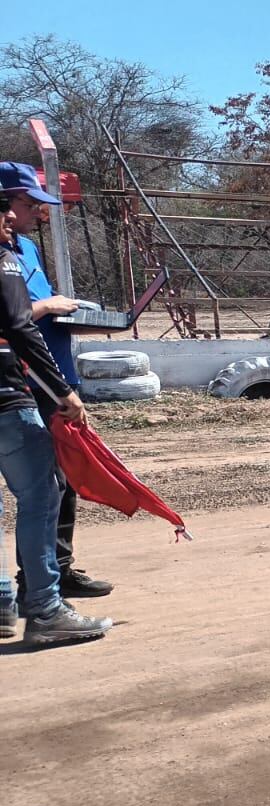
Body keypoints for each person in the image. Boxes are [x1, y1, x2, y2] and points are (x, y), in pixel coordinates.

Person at [0, 193, 110, 644]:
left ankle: (3, 602)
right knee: (43, 496)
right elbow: (19, 325)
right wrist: (61, 388)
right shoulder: (4, 258)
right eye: (3, 208)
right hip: (7, 398)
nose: (10, 216)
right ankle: (44, 608)